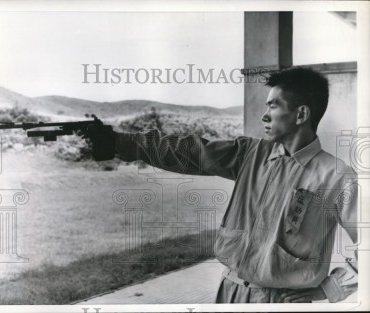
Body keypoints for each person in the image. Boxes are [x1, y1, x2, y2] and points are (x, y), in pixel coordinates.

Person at [82, 67, 358, 303]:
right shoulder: (251, 154)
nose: (264, 115)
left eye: (273, 106)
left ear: (301, 115)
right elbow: (189, 152)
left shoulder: (337, 177)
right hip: (230, 293)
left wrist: (329, 288)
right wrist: (121, 143)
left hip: (283, 302)